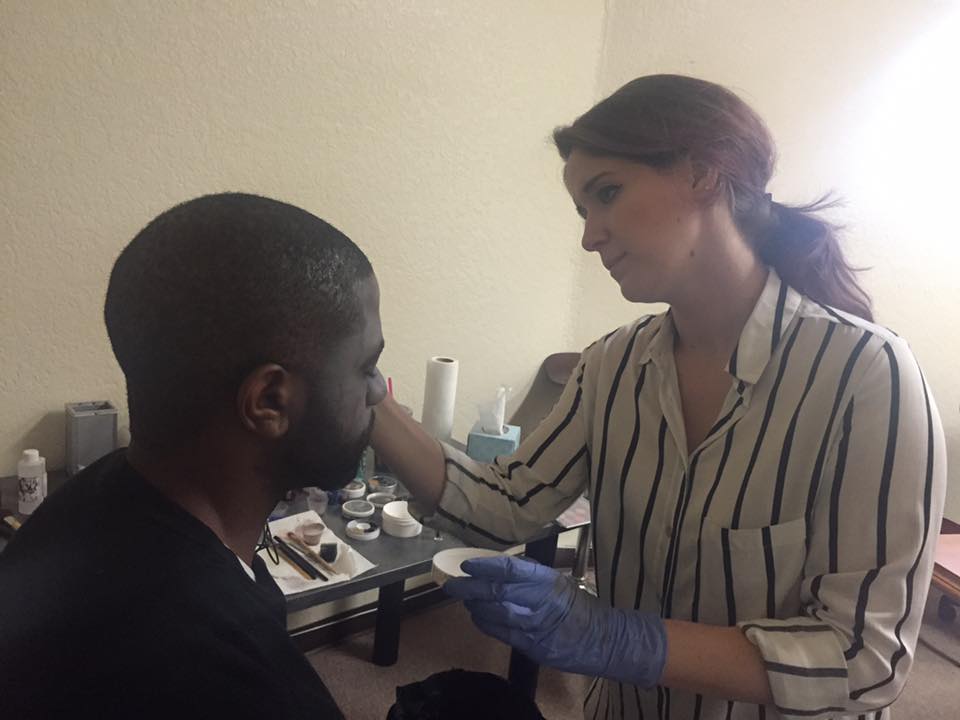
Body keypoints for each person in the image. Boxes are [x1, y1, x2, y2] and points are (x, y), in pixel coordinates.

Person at [370, 75, 946, 719]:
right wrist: (367, 396)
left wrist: (621, 640)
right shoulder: (611, 365)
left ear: (703, 173)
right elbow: (508, 503)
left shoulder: (868, 376)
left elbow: (866, 657)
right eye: (582, 211)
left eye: (607, 194)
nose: (590, 237)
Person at [0, 193, 386, 719]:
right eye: (367, 367)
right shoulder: (251, 687)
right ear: (270, 401)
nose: (379, 392)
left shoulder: (88, 499)